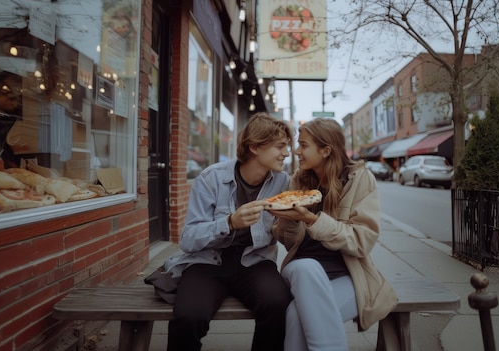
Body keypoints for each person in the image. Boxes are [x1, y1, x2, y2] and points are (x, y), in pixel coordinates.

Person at [165, 112, 294, 351]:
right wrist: (230, 222)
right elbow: (188, 240)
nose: (287, 153)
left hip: (255, 261)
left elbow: (286, 230)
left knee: (278, 304)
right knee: (189, 316)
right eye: (280, 146)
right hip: (207, 262)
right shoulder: (210, 178)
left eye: (287, 146)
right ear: (255, 147)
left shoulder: (283, 182)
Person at [268, 118, 399, 351]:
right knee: (307, 267)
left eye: (304, 145)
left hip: (348, 275)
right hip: (300, 270)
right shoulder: (299, 181)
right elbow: (288, 243)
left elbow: (361, 242)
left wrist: (312, 220)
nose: (297, 151)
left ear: (326, 150)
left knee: (296, 317)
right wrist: (289, 221)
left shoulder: (359, 180)